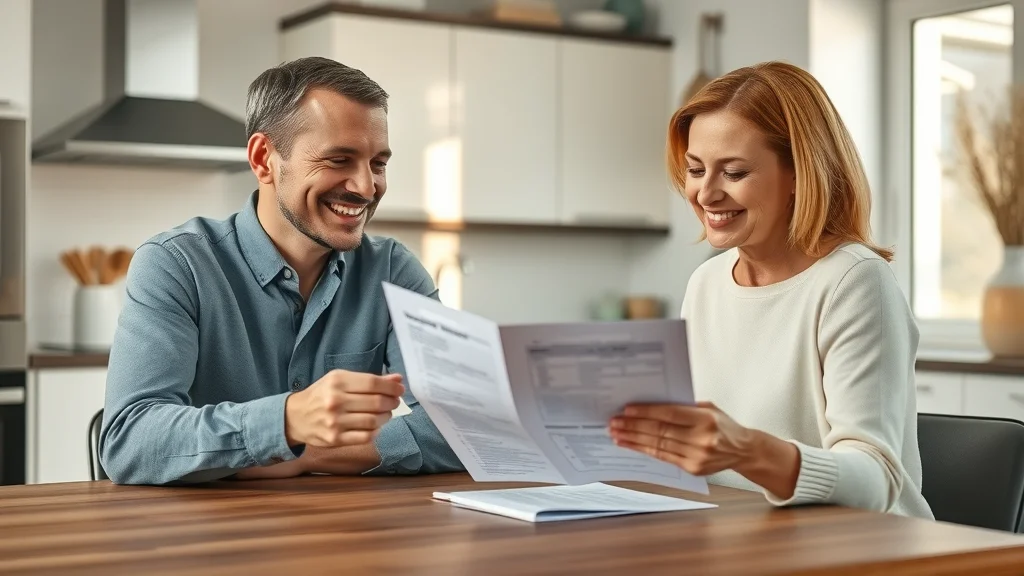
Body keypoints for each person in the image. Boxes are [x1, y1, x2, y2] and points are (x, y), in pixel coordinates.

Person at [100, 57, 464, 484]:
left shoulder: (393, 269)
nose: (366, 187)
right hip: (210, 539)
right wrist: (287, 420)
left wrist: (308, 454)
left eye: (378, 164)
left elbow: (473, 425)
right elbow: (131, 441)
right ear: (263, 159)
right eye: (338, 159)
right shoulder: (176, 264)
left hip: (347, 536)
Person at [608, 61, 934, 519]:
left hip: (861, 548)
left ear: (800, 174)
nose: (705, 194)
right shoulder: (705, 284)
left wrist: (745, 449)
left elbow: (877, 480)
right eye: (696, 170)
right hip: (740, 538)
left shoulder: (854, 281)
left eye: (734, 173)